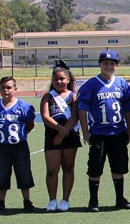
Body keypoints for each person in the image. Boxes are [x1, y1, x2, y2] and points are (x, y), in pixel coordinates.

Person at [77, 50, 130, 212]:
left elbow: (128, 109)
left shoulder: (122, 84)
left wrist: (129, 129)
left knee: (119, 167)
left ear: (116, 65)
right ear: (99, 64)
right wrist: (85, 131)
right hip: (98, 133)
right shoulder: (91, 84)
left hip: (118, 132)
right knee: (95, 168)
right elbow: (82, 109)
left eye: (112, 63)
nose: (108, 66)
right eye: (105, 63)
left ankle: (120, 199)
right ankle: (93, 200)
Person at [0, 77, 37, 212]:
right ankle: (0, 201)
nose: (6, 90)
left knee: (24, 172)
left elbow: (30, 125)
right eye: (3, 87)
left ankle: (27, 201)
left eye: (9, 87)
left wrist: (21, 135)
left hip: (20, 145)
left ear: (15, 89)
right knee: (2, 173)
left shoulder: (24, 107)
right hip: (2, 145)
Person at [40, 60, 81, 212]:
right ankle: (52, 200)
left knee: (68, 167)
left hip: (69, 136)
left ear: (68, 79)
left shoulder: (74, 96)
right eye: (56, 79)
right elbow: (45, 116)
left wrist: (63, 133)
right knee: (52, 169)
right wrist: (59, 130)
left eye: (62, 79)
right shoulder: (47, 97)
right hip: (52, 135)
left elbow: (75, 116)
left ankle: (65, 200)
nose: (59, 81)